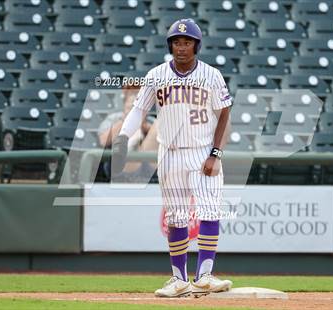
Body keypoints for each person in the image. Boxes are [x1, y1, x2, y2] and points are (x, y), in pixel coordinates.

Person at [112, 19, 232, 297]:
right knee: (176, 218)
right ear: (170, 45)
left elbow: (224, 112)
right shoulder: (156, 76)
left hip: (203, 152)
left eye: (187, 42)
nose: (181, 47)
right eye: (176, 42)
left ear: (196, 45)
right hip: (170, 154)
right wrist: (123, 138)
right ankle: (179, 279)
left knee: (210, 210)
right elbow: (138, 111)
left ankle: (204, 276)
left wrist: (216, 153)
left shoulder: (212, 75)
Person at [97, 85, 158, 180]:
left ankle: (134, 144)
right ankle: (132, 145)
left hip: (147, 165)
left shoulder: (151, 122)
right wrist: (126, 120)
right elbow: (103, 141)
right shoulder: (114, 119)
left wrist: (144, 126)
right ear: (125, 103)